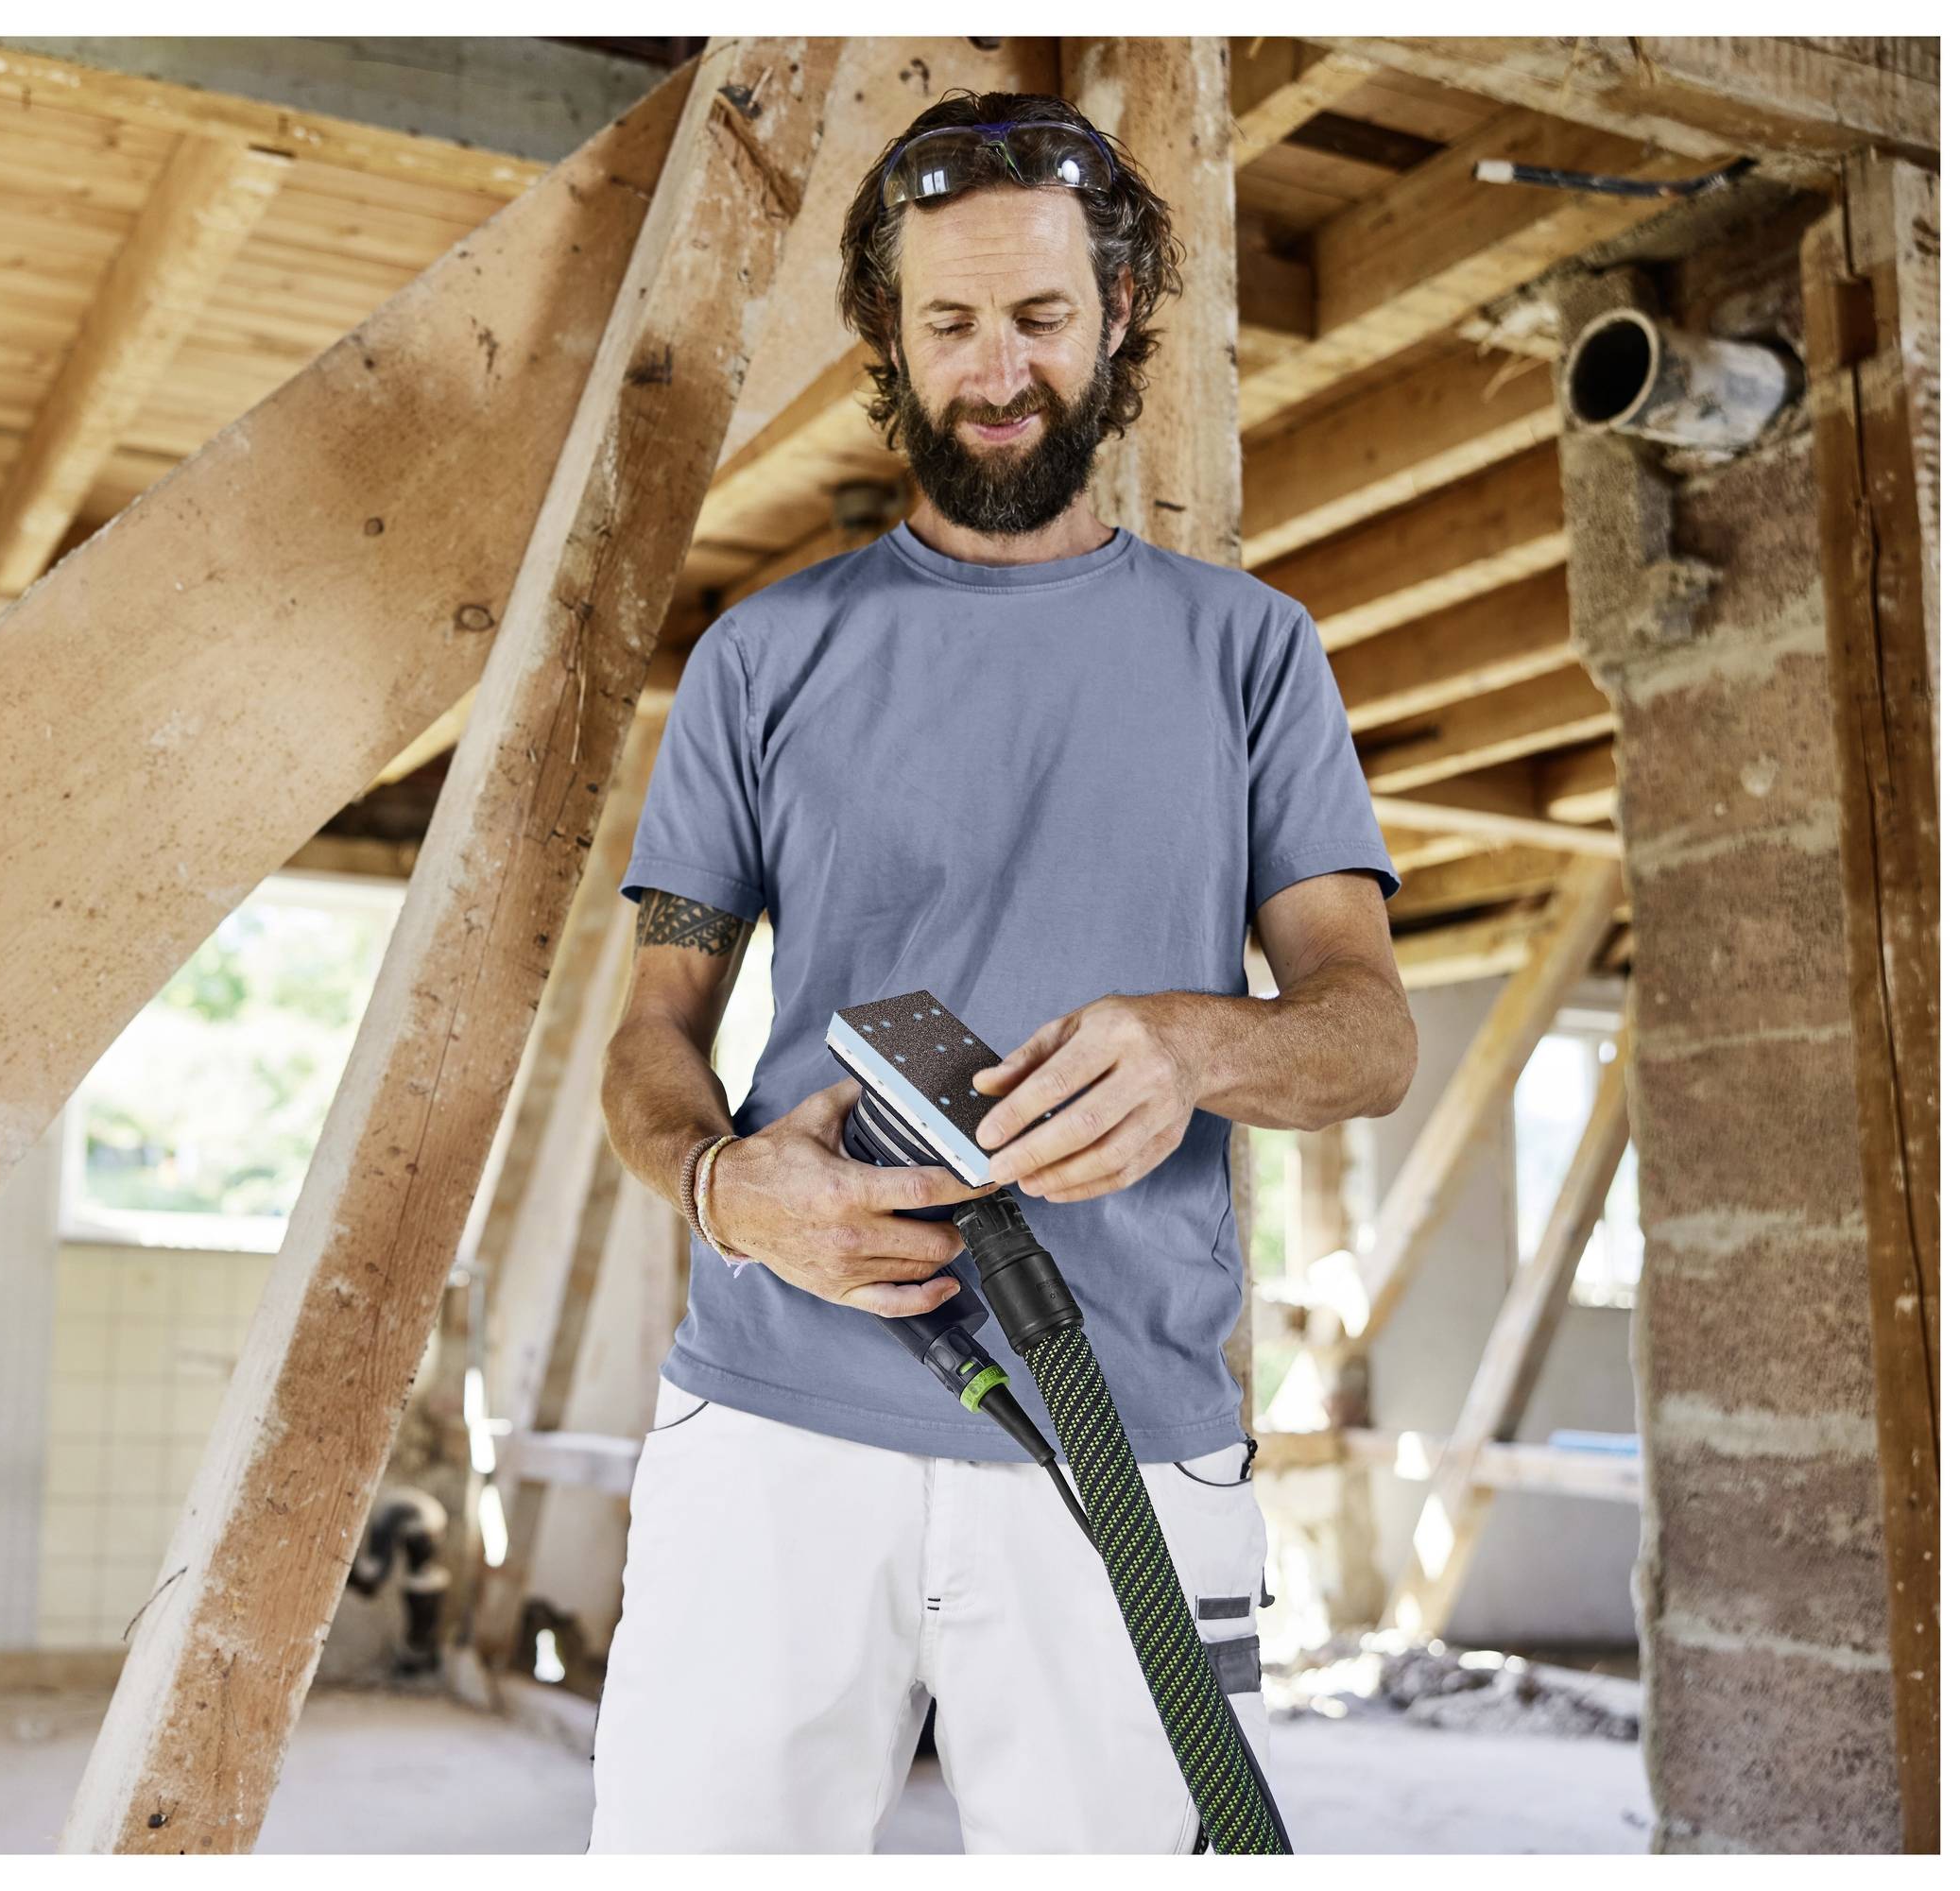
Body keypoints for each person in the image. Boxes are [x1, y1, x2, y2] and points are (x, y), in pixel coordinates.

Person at [588, 91, 1417, 1853]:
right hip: (774, 1420)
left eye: (1040, 319)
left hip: (1129, 1434)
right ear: (889, 334)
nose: (995, 371)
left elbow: (1367, 1033)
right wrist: (729, 1188)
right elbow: (654, 1031)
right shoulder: (764, 659)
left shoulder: (1249, 657)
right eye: (948, 323)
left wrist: (1195, 1044)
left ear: (1119, 315)